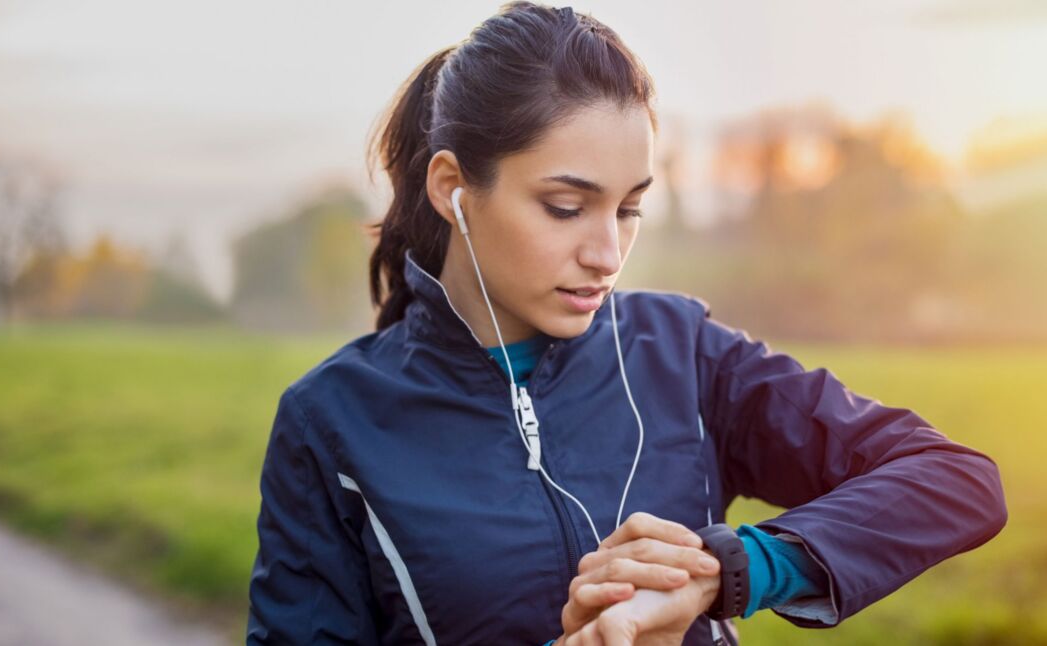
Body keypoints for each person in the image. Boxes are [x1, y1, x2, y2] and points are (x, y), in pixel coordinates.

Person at [245, 3, 1008, 644]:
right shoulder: (331, 424)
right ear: (453, 188)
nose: (608, 252)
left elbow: (956, 482)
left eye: (631, 207)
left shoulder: (684, 354)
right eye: (567, 207)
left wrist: (727, 570)